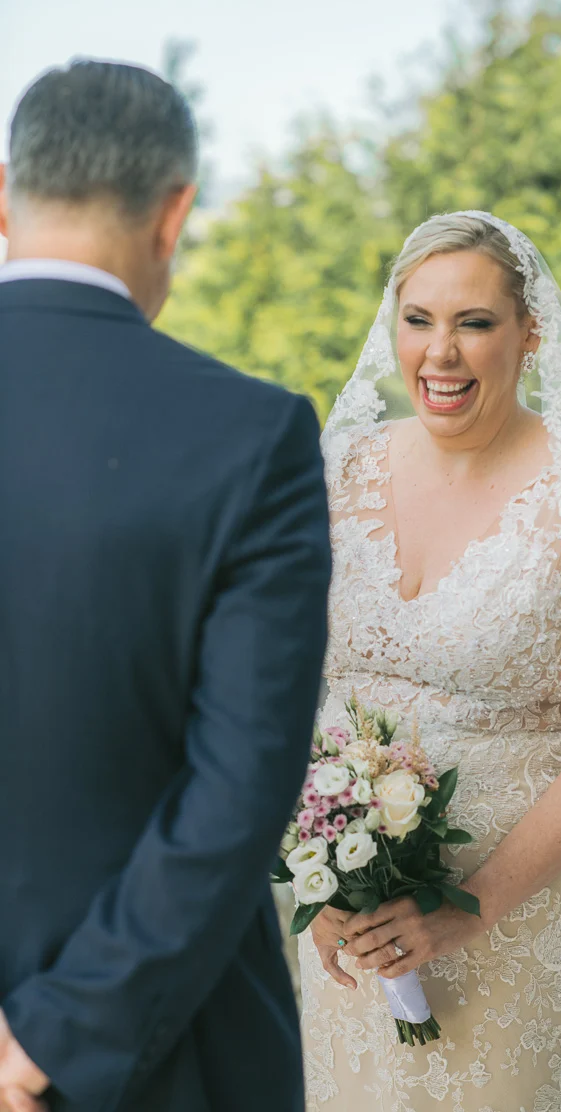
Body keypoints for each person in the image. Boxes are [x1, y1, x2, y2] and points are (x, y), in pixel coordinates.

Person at [0, 60, 331, 1112]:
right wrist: (53, 1037)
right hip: (162, 1053)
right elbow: (238, 784)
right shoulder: (251, 435)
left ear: (3, 193)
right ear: (174, 211)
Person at [300, 212, 561, 1112]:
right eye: (418, 319)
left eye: (474, 323)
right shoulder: (336, 473)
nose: (441, 353)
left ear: (530, 333)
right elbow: (279, 685)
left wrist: (467, 906)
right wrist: (321, 876)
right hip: (351, 915)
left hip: (516, 903)